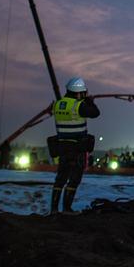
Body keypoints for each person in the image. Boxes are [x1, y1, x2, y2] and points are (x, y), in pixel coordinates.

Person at [50, 77, 100, 214]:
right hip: (77, 148)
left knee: (60, 179)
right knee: (74, 180)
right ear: (78, 92)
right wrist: (90, 102)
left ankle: (53, 209)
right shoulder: (78, 106)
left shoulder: (57, 104)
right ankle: (66, 208)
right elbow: (96, 113)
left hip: (62, 147)